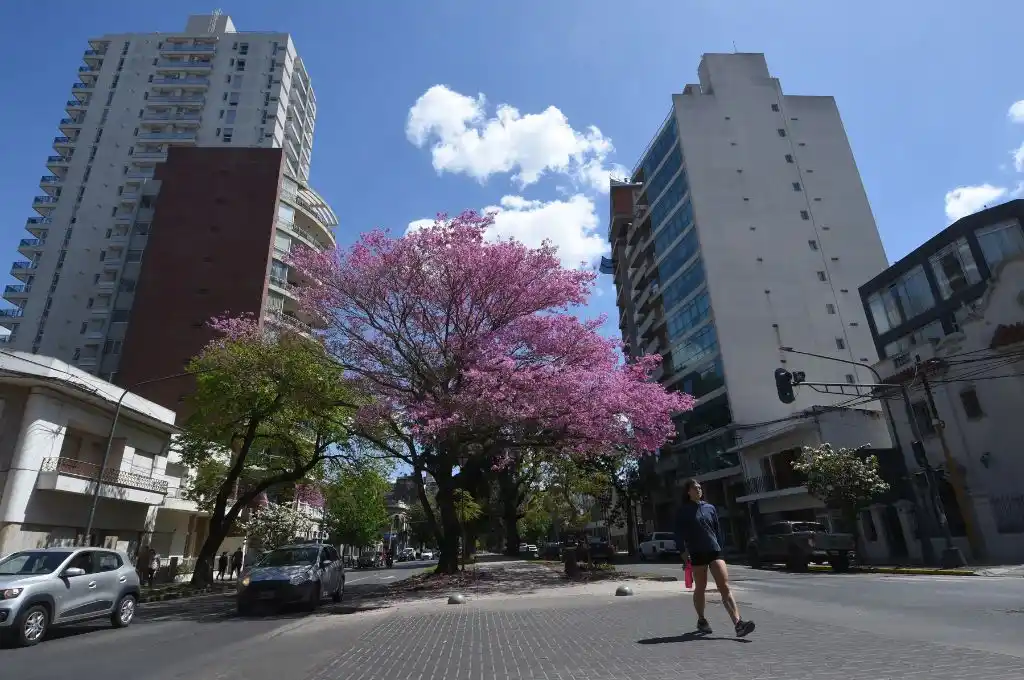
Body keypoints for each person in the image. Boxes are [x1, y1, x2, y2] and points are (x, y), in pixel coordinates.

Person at [674, 478, 755, 637]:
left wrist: (720, 546)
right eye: (694, 488)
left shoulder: (710, 508)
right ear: (688, 492)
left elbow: (718, 530)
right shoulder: (683, 511)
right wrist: (683, 554)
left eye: (699, 488)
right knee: (701, 588)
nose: (698, 490)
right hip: (697, 553)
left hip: (714, 551)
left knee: (724, 586)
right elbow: (678, 535)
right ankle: (701, 619)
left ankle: (738, 623)